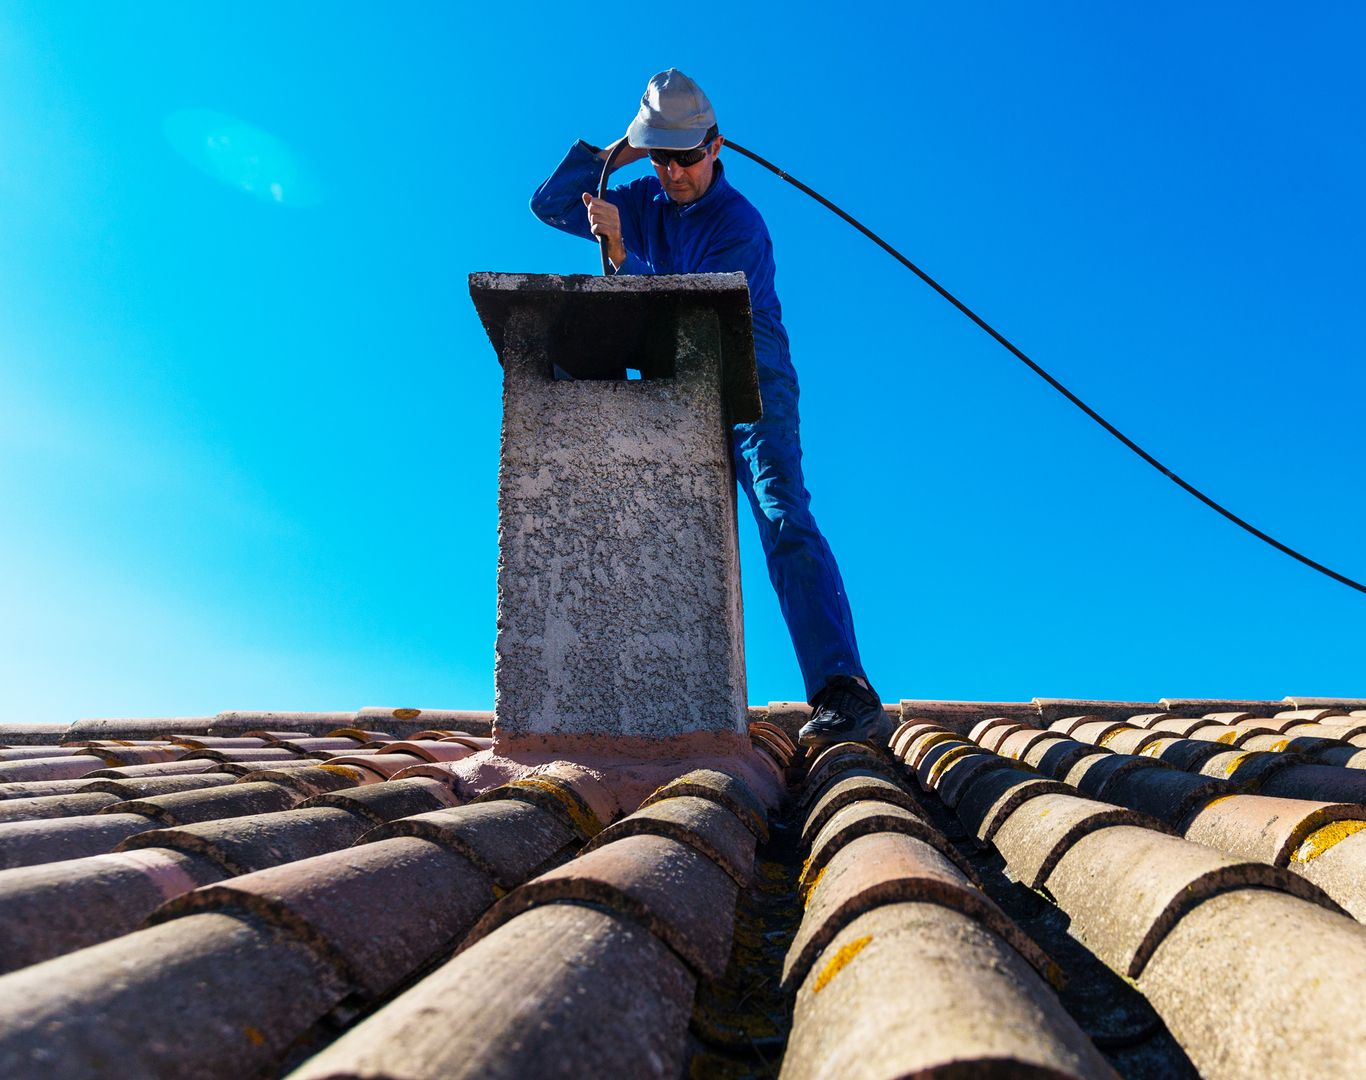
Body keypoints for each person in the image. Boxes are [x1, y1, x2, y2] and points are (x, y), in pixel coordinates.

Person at [530, 69, 886, 748]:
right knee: (656, 519)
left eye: (686, 156)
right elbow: (550, 204)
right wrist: (620, 153)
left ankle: (844, 687)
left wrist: (621, 253)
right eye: (662, 157)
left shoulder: (738, 223)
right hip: (680, 375)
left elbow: (695, 306)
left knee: (781, 511)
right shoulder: (643, 196)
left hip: (750, 371)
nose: (675, 173)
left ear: (716, 146)